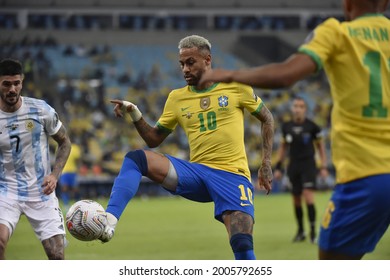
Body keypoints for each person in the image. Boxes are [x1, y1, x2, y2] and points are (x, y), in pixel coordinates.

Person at [199, 0, 390, 260]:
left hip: (367, 175)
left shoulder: (336, 32)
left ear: (346, 3)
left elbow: (286, 74)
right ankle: (303, 230)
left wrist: (231, 75)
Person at [99, 35, 274, 260]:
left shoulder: (236, 86)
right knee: (137, 159)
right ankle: (108, 221)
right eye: (181, 64)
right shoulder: (176, 98)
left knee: (241, 243)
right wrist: (135, 114)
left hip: (232, 176)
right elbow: (153, 139)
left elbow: (267, 118)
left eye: (190, 62)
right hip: (197, 174)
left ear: (207, 60)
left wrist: (266, 163)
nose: (185, 69)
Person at [0, 58, 71, 260]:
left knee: (57, 255)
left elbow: (65, 142)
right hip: (5, 192)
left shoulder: (41, 111)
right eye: (6, 84)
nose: (12, 89)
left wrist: (54, 175)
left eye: (16, 83)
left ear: (22, 82)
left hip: (41, 191)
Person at [273, 96, 328, 243]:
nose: (297, 109)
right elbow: (283, 148)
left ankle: (313, 232)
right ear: (292, 109)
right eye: (295, 106)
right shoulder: (286, 127)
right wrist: (278, 167)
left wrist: (323, 165)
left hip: (308, 165)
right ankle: (301, 231)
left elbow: (321, 147)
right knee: (296, 199)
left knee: (308, 195)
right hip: (293, 166)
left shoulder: (313, 127)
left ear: (305, 109)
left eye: (301, 106)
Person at [59, 139, 82, 212]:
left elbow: (78, 159)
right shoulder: (61, 146)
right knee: (64, 188)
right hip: (64, 171)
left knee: (75, 189)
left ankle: (78, 205)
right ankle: (66, 205)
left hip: (72, 171)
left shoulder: (75, 147)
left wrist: (78, 168)